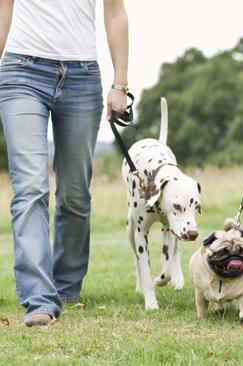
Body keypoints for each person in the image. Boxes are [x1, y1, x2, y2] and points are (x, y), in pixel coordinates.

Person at [0, 0, 129, 326]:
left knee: (75, 194)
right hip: (21, 71)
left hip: (82, 76)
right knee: (30, 187)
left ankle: (67, 286)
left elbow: (115, 12)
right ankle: (39, 299)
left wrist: (120, 84)